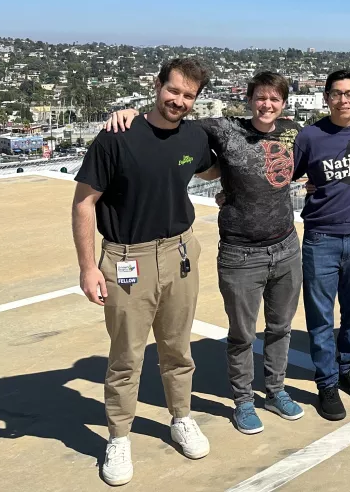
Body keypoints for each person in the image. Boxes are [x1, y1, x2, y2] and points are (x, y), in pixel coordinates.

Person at [103, 72, 306, 435]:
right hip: (241, 253)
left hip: (286, 246)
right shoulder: (222, 128)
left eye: (275, 99)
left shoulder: (293, 130)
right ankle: (243, 400)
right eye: (261, 98)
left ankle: (276, 390)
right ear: (249, 99)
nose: (267, 105)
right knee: (243, 333)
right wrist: (129, 112)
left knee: (281, 328)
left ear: (284, 104)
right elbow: (172, 117)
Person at [73, 58, 215, 486]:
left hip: (180, 252)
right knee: (126, 357)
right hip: (125, 257)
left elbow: (212, 167)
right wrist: (87, 267)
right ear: (157, 86)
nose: (178, 101)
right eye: (173, 91)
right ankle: (118, 437)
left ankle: (181, 418)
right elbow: (84, 203)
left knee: (177, 350)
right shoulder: (118, 135)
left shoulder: (194, 135)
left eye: (188, 96)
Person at [292, 70, 350, 420]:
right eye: (336, 93)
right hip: (321, 237)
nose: (343, 100)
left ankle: (348, 367)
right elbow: (286, 174)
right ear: (326, 98)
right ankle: (326, 383)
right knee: (319, 317)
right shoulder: (310, 136)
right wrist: (306, 185)